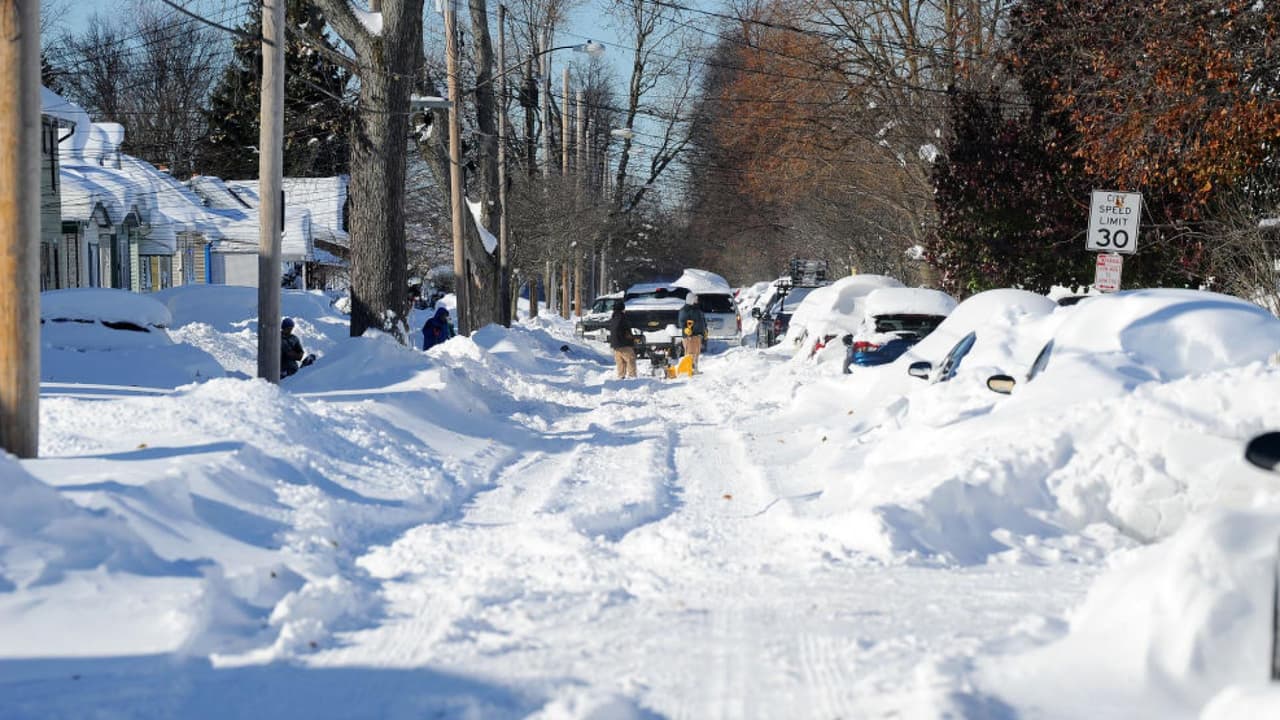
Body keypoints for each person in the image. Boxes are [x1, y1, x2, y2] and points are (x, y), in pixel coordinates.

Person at [677, 292, 708, 372]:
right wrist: (685, 329)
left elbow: (703, 321)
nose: (697, 300)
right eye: (695, 299)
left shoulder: (698, 310)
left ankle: (694, 369)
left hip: (698, 335)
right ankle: (687, 369)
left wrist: (705, 331)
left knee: (696, 353)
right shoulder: (685, 310)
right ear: (690, 299)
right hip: (690, 336)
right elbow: (681, 321)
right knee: (690, 353)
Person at [606, 301, 637, 379]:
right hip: (623, 343)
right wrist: (631, 339)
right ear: (622, 309)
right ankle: (632, 377)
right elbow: (625, 330)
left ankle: (621, 377)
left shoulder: (613, 317)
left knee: (620, 362)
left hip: (615, 344)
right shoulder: (622, 317)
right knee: (630, 359)